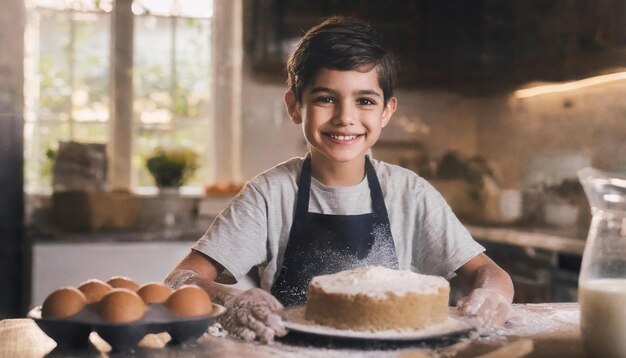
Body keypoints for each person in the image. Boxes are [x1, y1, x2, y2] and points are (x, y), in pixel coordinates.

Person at [165, 16, 516, 343]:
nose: (345, 117)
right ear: (295, 106)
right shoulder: (271, 195)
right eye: (325, 99)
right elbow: (179, 281)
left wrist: (492, 295)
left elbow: (488, 273)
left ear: (386, 111)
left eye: (364, 100)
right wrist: (232, 299)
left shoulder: (410, 194)